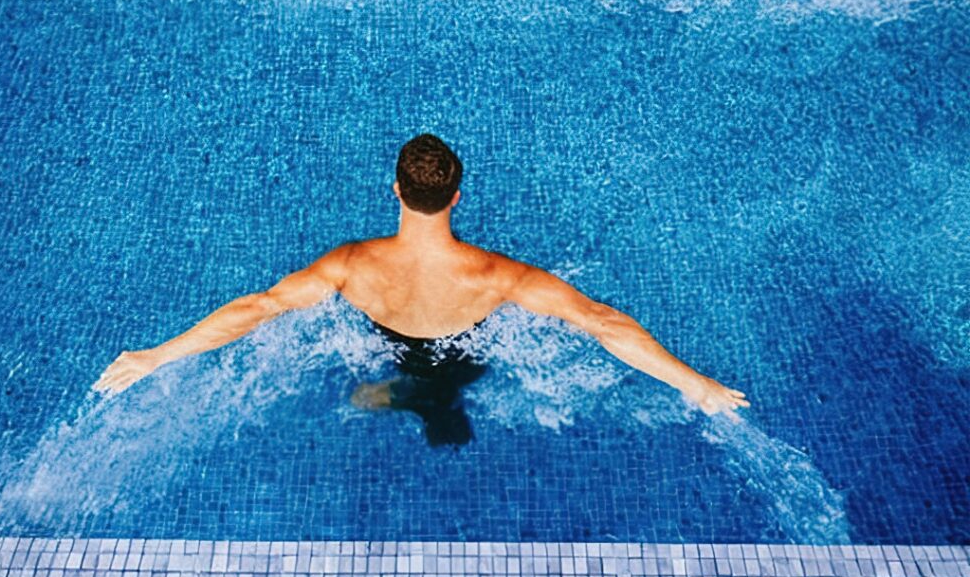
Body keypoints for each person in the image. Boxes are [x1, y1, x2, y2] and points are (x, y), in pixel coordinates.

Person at [95, 134, 749, 445]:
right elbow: (603, 322)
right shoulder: (497, 276)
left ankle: (418, 402)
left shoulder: (351, 266)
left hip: (393, 338)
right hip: (466, 342)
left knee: (384, 387)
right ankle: (436, 406)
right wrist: (694, 383)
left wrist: (157, 355)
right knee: (447, 379)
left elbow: (257, 309)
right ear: (457, 196)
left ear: (396, 191)